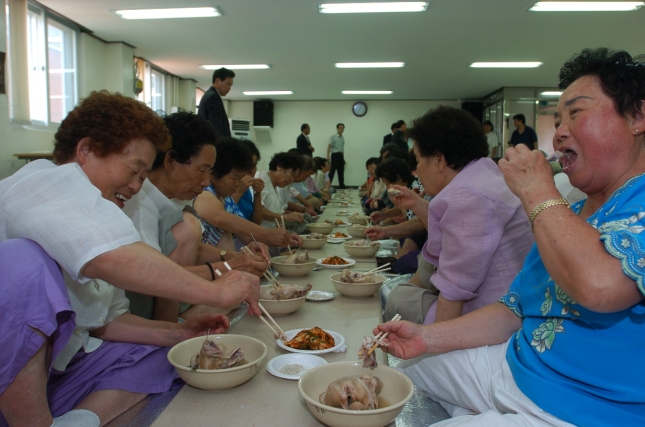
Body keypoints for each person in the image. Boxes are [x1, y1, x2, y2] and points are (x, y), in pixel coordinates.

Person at [374, 48, 645, 427]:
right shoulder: (576, 208)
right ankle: (480, 411)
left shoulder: (571, 204)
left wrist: (537, 192)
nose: (561, 131)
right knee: (406, 362)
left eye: (577, 113)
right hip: (515, 366)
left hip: (577, 405)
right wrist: (426, 337)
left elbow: (601, 287)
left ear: (637, 117)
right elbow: (512, 309)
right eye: (558, 118)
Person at [0, 91, 260, 426]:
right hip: (13, 385)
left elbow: (108, 321)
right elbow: (110, 258)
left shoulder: (104, 214)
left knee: (168, 356)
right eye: (134, 171)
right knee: (21, 262)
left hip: (57, 371)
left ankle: (81, 419)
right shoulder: (40, 180)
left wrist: (178, 333)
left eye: (142, 177)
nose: (137, 186)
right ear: (86, 150)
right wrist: (219, 290)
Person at [367, 105, 534, 326]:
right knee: (405, 290)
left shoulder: (467, 197)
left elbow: (455, 288)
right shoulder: (484, 174)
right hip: (514, 302)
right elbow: (443, 241)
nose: (416, 170)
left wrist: (433, 346)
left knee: (397, 299)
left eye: (418, 160)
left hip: (493, 317)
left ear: (439, 160)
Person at [123, 112, 268, 322]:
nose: (204, 181)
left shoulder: (176, 199)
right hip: (143, 315)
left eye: (209, 172)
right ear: (170, 161)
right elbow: (154, 279)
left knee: (243, 286)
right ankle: (171, 333)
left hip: (172, 298)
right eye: (201, 170)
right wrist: (228, 267)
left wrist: (232, 257)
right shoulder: (139, 204)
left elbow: (189, 250)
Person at [194, 138, 300, 255]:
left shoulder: (227, 199)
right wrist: (268, 234)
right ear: (213, 175)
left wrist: (284, 239)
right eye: (234, 178)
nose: (238, 184)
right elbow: (219, 218)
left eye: (240, 178)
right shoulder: (204, 193)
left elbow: (247, 238)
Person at [198, 67, 235, 137]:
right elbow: (217, 127)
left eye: (231, 85)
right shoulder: (214, 97)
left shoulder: (207, 95)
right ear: (217, 80)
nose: (229, 88)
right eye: (228, 84)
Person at [327, 123, 346, 189]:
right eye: (340, 128)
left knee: (341, 171)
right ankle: (327, 186)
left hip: (340, 156)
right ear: (337, 128)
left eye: (343, 128)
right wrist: (327, 156)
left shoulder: (342, 138)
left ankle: (342, 186)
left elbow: (342, 149)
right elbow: (329, 146)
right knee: (332, 171)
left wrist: (343, 158)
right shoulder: (333, 137)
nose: (342, 129)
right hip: (335, 155)